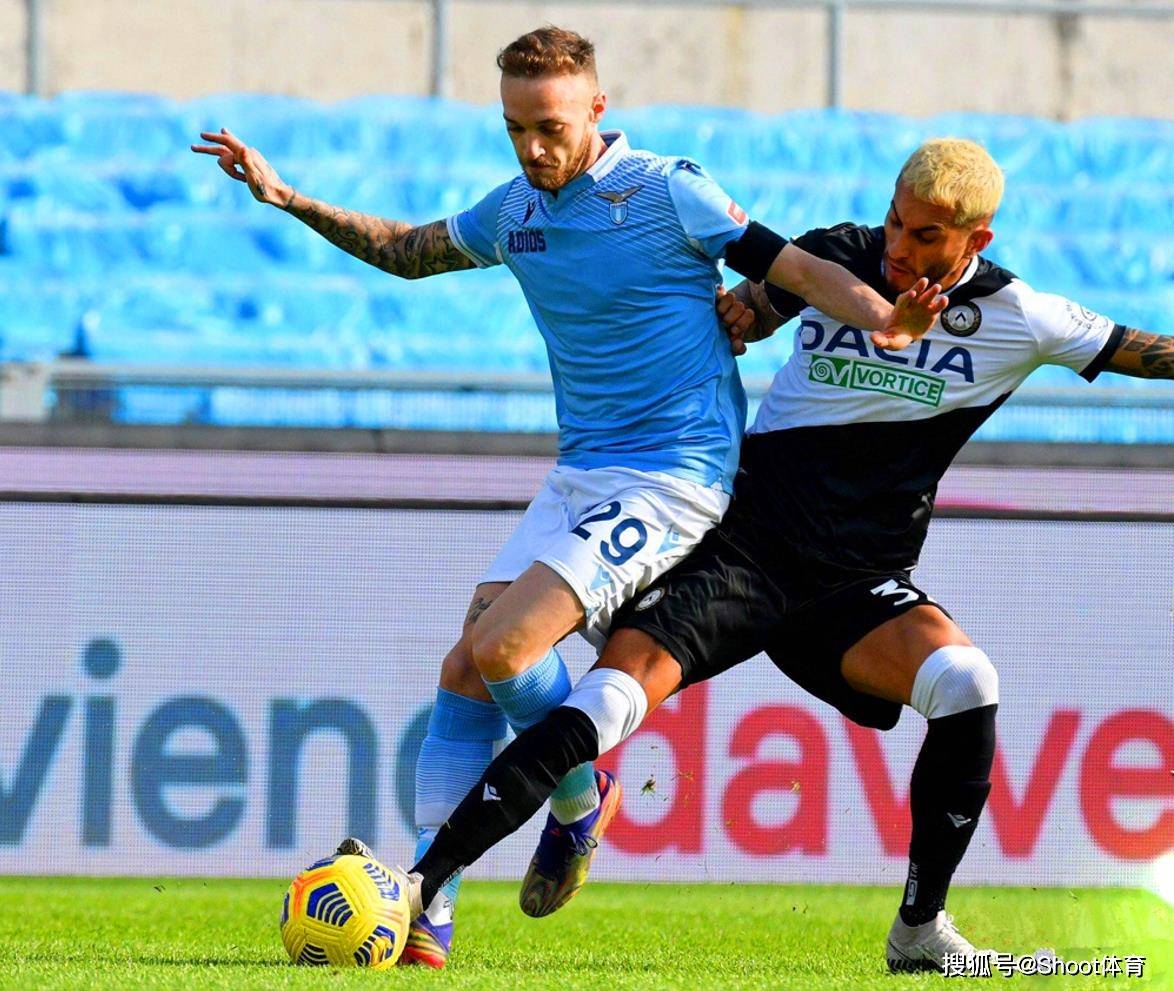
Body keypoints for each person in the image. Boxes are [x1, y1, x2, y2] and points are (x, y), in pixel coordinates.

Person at [192, 27, 943, 968]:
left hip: (676, 471)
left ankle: (577, 798)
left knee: (507, 644)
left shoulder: (669, 190)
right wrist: (288, 197)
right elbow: (409, 251)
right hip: (583, 468)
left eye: (550, 126)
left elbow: (795, 267)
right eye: (516, 129)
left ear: (596, 109)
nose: (533, 148)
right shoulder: (514, 211)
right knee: (468, 664)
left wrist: (886, 319)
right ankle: (430, 912)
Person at [393, 137, 1173, 974]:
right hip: (742, 554)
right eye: (894, 222)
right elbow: (756, 306)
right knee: (605, 703)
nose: (898, 247)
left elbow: (1146, 351)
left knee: (968, 682)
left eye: (924, 237)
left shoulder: (1021, 316)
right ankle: (422, 885)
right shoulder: (841, 254)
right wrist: (747, 311)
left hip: (857, 588)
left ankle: (919, 931)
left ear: (975, 240)